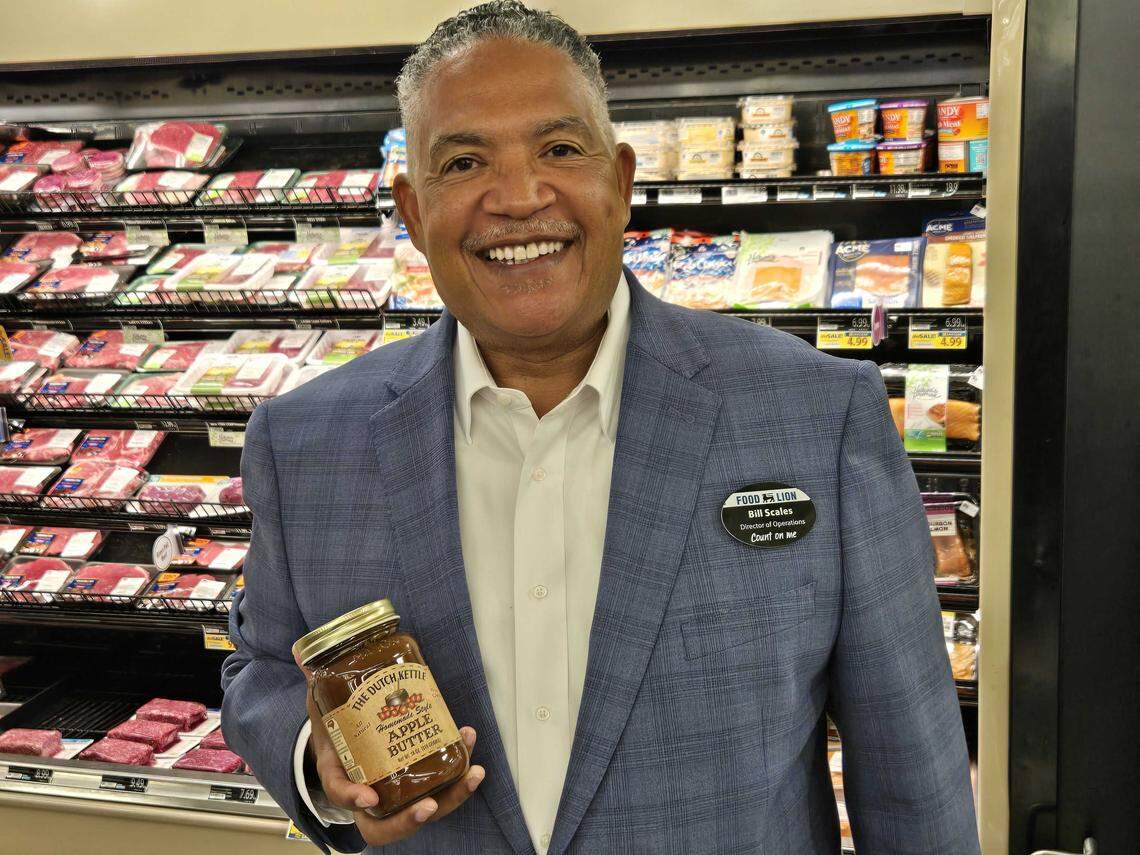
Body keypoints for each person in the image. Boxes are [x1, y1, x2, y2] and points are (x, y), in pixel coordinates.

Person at [220, 3, 980, 853]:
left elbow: (912, 772)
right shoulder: (306, 442)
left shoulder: (816, 414)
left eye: (559, 149)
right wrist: (315, 755)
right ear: (413, 209)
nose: (518, 198)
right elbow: (264, 668)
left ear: (619, 182)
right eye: (464, 161)